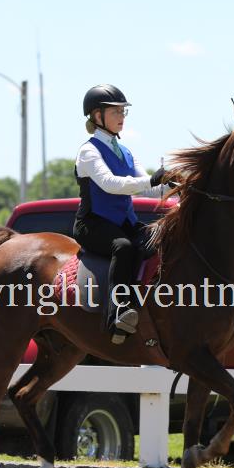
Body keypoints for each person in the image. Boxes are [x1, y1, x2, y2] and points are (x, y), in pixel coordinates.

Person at [73, 84, 169, 344]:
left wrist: (175, 185)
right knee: (123, 247)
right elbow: (111, 184)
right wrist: (153, 179)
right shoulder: (88, 151)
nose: (121, 116)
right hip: (92, 224)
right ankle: (116, 315)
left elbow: (148, 189)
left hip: (124, 222)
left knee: (160, 240)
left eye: (123, 111)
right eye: (115, 111)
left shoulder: (126, 151)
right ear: (97, 115)